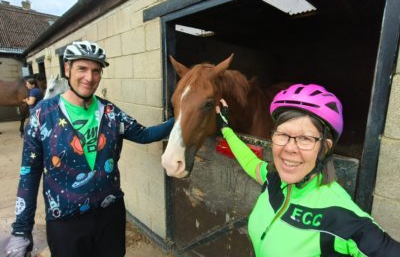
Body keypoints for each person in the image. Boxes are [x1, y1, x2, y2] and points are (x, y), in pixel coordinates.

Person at [6, 41, 174, 257]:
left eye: (96, 71)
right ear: (67, 69)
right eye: (82, 69)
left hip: (110, 215)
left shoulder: (110, 112)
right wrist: (21, 230)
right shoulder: (42, 114)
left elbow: (145, 134)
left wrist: (183, 117)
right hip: (65, 221)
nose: (89, 77)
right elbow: (29, 173)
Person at [216, 83, 400, 256]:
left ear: (325, 148)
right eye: (282, 134)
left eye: (305, 138)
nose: (289, 148)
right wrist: (226, 129)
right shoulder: (272, 179)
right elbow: (249, 161)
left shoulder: (340, 216)